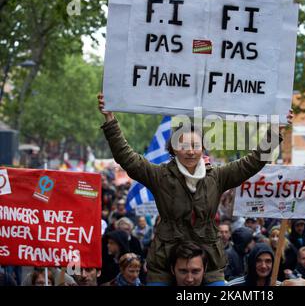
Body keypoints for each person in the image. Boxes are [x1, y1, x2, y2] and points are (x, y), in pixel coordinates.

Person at [98, 93, 292, 285]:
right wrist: (110, 120)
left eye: (195, 145)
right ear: (173, 149)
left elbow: (253, 162)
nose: (190, 150)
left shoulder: (217, 176)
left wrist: (276, 133)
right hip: (165, 257)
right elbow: (126, 157)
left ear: (202, 148)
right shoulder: (159, 175)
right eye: (183, 145)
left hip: (209, 257)